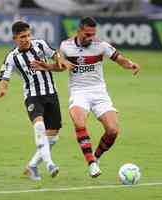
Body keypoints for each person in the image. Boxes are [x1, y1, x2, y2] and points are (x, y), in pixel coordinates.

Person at [31, 17, 140, 178]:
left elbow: (119, 59)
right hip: (79, 92)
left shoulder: (100, 45)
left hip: (99, 92)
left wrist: (131, 64)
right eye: (87, 34)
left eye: (93, 34)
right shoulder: (66, 46)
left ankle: (96, 157)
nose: (90, 38)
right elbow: (62, 67)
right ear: (79, 31)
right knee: (79, 121)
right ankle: (91, 163)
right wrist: (46, 66)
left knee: (113, 130)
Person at [0, 21, 70, 181]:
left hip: (51, 94)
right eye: (22, 36)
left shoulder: (41, 45)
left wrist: (59, 60)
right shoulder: (12, 57)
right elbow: (4, 76)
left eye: (28, 35)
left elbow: (56, 56)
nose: (26, 39)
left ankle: (32, 166)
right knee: (39, 127)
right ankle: (50, 164)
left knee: (53, 135)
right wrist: (3, 88)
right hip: (32, 96)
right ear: (15, 38)